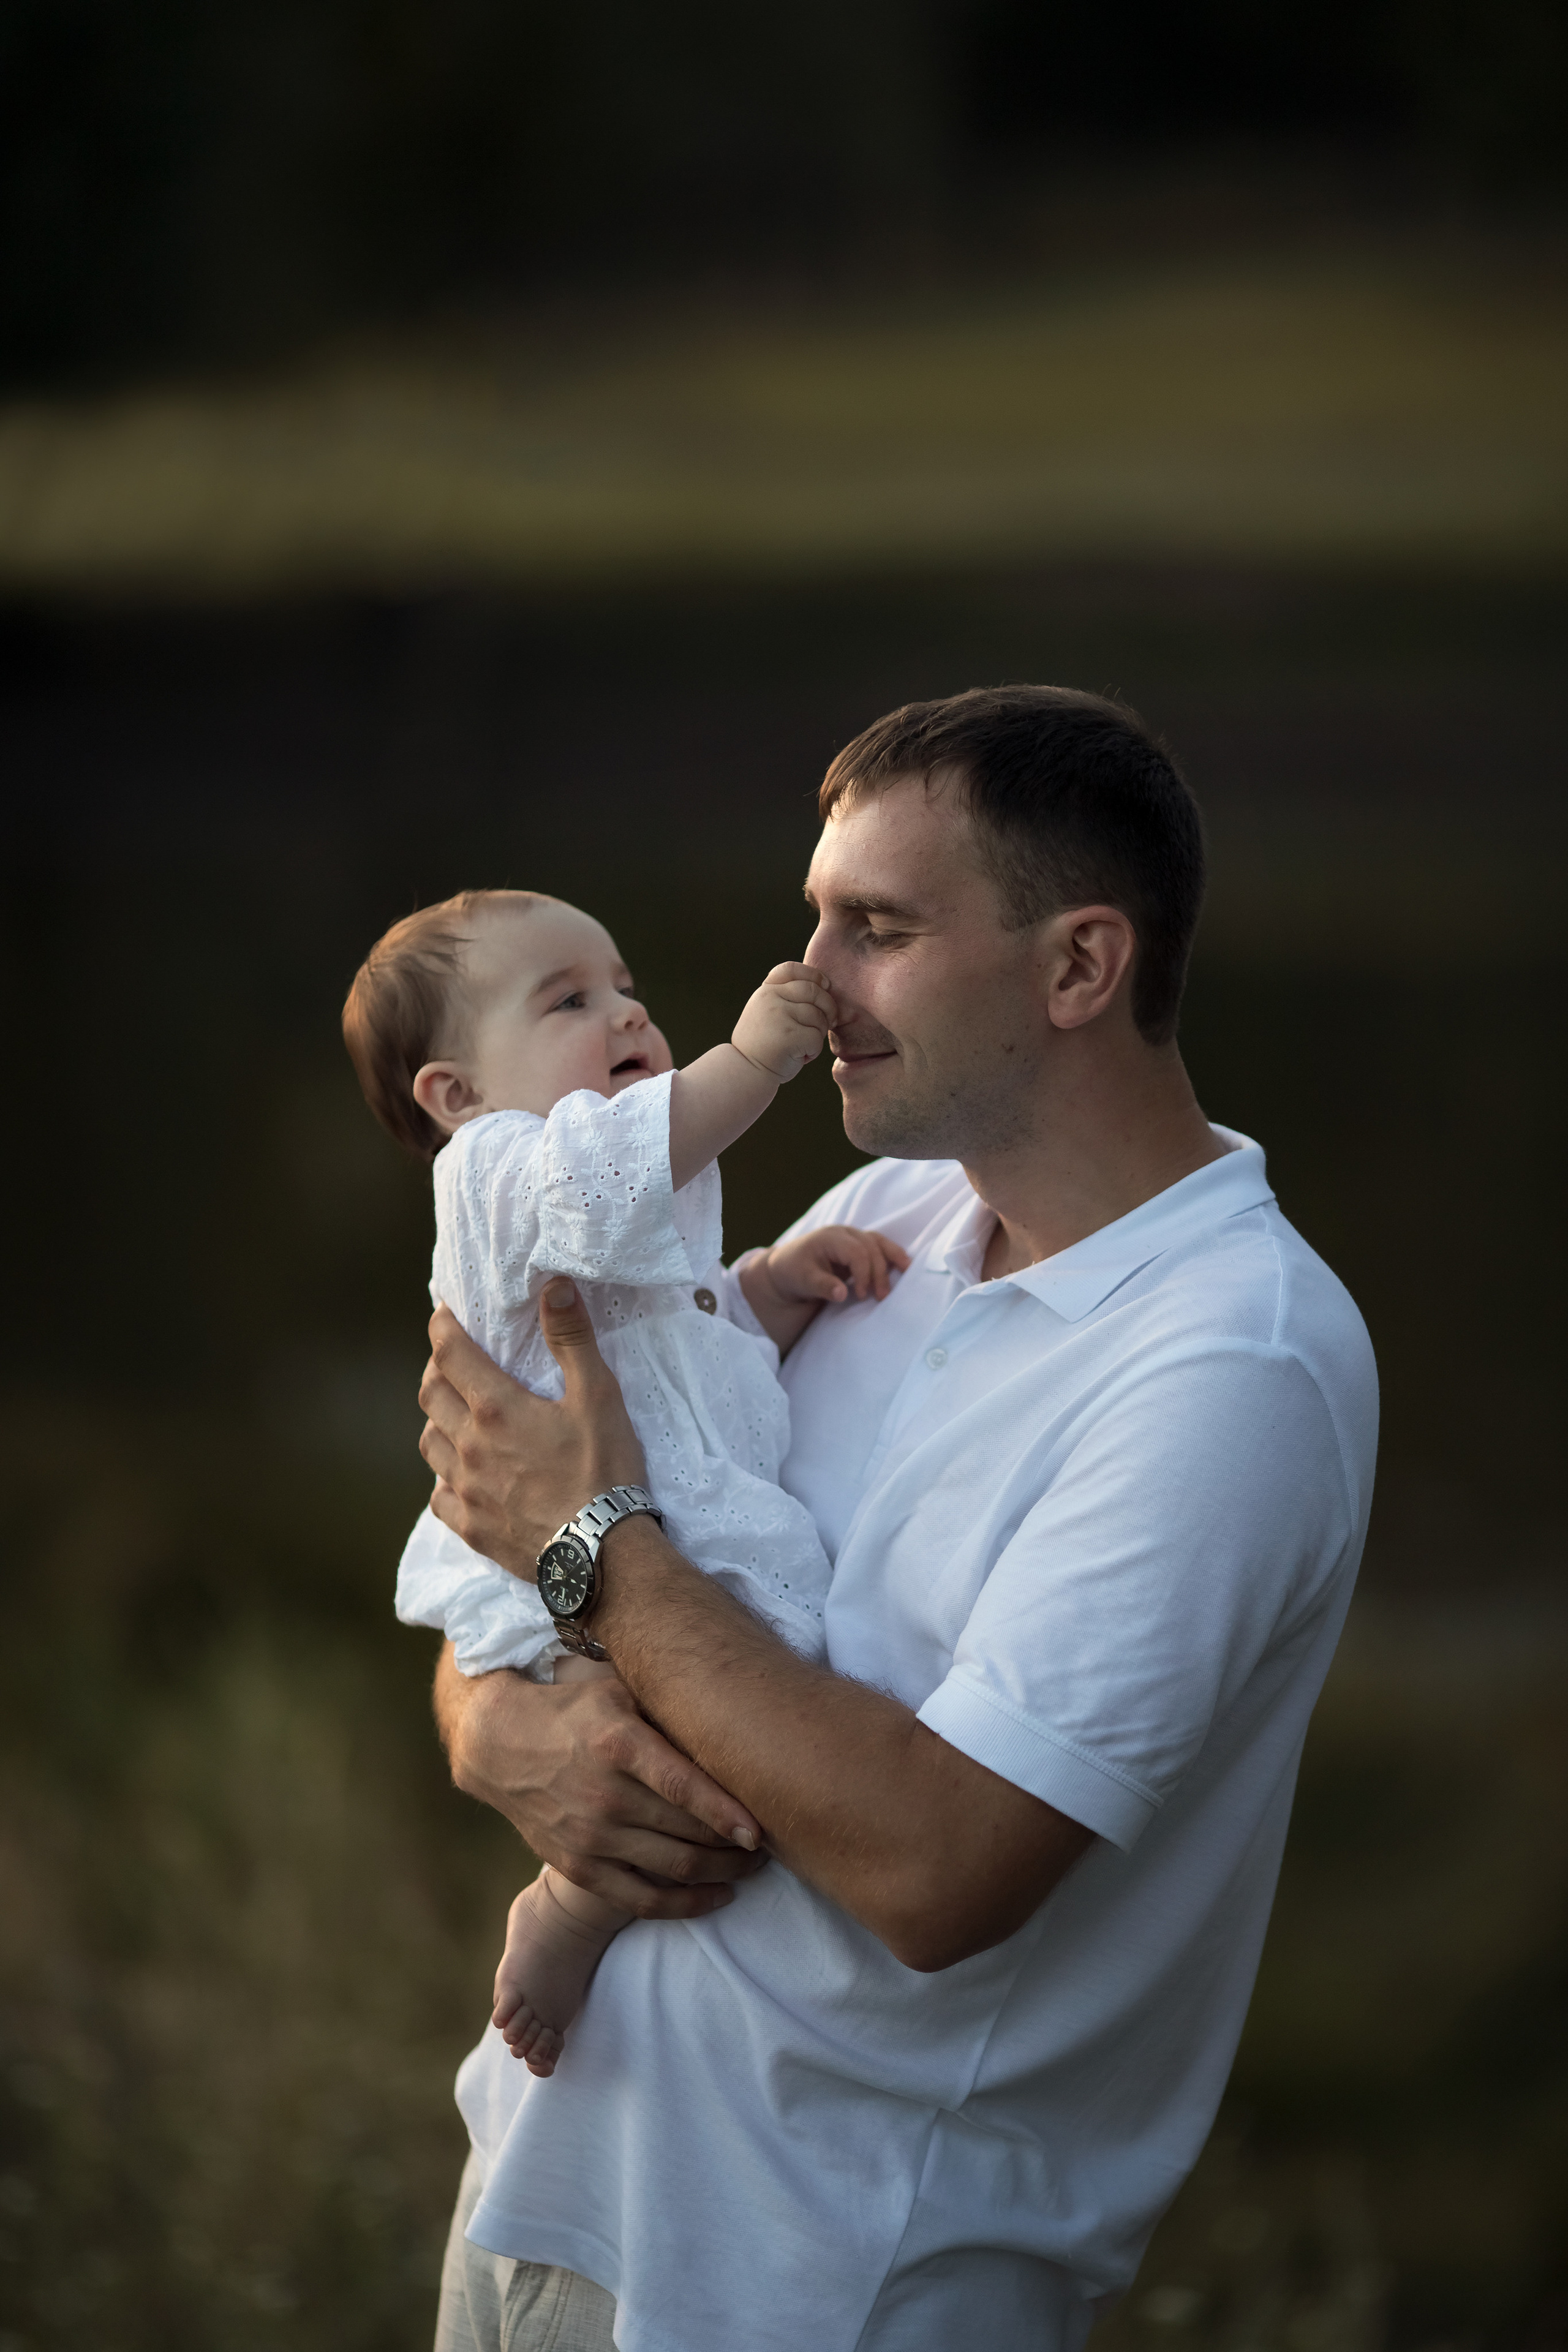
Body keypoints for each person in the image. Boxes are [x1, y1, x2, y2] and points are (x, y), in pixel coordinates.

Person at [417, 686, 1379, 2352]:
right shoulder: (884, 1216)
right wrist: (494, 1727)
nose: (808, 985)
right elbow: (522, 1538)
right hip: (541, 2189)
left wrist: (595, 1556)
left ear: (1082, 968)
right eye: (814, 922)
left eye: (875, 930)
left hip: (823, 2285)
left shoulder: (1237, 1363)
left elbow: (941, 1865)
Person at [342, 889, 905, 2075]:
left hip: (615, 1553)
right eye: (570, 999)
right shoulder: (499, 1172)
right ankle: (568, 1910)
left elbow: (684, 1344)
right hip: (562, 1591)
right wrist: (752, 1059)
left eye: (623, 982)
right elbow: (633, 1162)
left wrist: (772, 1285)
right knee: (680, 1750)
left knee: (732, 1726)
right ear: (455, 1093)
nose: (627, 1009)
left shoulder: (591, 1197)